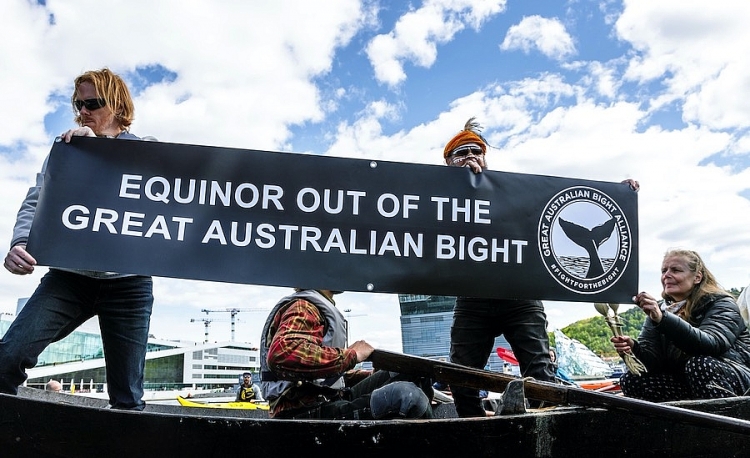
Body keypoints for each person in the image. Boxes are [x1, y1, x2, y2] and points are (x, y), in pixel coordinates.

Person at [0, 68, 155, 411]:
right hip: (69, 278)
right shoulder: (66, 149)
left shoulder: (148, 150)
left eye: (92, 104)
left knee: (127, 399)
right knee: (6, 359)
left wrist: (96, 147)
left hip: (128, 285)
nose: (83, 111)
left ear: (115, 105)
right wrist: (19, 243)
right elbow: (37, 199)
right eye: (78, 104)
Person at [443, 118, 558, 417]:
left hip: (518, 294)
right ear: (447, 163)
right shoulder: (436, 199)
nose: (470, 157)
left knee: (540, 370)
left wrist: (619, 195)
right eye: (461, 153)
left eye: (476, 151)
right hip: (472, 298)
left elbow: (552, 203)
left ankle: (546, 426)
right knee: (462, 373)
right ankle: (472, 429)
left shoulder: (511, 191)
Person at [260, 288, 433, 419]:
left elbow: (325, 379)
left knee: (412, 370)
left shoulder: (316, 306)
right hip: (304, 412)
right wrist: (352, 355)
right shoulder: (304, 307)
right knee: (406, 396)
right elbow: (283, 354)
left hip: (330, 398)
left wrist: (368, 376)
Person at [611, 249, 750, 401]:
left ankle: (724, 422)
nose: (666, 275)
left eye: (675, 270)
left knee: (700, 364)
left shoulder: (722, 304)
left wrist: (663, 319)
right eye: (664, 271)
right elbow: (653, 363)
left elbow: (711, 344)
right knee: (632, 380)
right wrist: (633, 348)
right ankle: (675, 424)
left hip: (735, 379)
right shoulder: (659, 311)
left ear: (697, 277)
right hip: (690, 382)